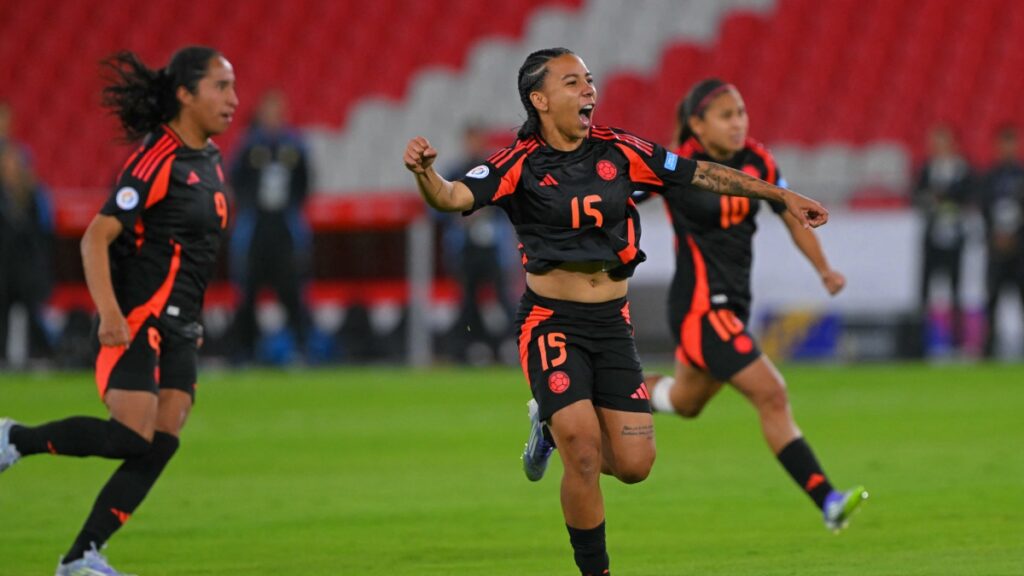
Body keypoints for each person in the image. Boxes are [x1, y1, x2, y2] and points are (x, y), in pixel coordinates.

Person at [403, 48, 828, 576]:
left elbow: (700, 174)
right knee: (583, 450)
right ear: (539, 99)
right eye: (572, 82)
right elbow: (451, 196)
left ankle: (549, 429)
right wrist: (426, 174)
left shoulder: (621, 149)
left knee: (634, 465)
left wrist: (781, 195)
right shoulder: (516, 163)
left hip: (611, 324)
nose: (588, 91)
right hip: (551, 320)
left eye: (589, 80)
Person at [0, 46, 237, 575]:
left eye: (233, 87)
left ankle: (80, 558)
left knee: (164, 438)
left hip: (180, 326)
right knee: (132, 434)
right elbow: (95, 238)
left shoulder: (210, 160)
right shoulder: (158, 159)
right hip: (139, 320)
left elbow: (189, 253)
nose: (233, 100)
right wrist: (110, 313)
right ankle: (14, 438)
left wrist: (191, 321)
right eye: (221, 87)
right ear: (185, 93)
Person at [636, 79, 867, 533]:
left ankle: (585, 392)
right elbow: (619, 196)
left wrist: (824, 268)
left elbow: (791, 215)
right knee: (772, 393)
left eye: (741, 112)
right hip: (701, 308)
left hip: (733, 305)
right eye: (726, 115)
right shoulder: (675, 165)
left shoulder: (758, 160)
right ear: (697, 124)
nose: (738, 122)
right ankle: (828, 500)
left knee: (684, 402)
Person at [227, 90, 312, 364]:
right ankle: (245, 351)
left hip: (284, 226)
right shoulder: (248, 146)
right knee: (248, 290)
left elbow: (305, 182)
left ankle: (300, 348)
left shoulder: (295, 146)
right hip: (256, 226)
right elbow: (234, 180)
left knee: (291, 289)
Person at [438, 122, 517, 364]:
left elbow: (508, 201)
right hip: (466, 247)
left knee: (503, 298)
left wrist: (483, 209)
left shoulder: (493, 169)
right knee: (468, 299)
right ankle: (470, 346)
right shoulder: (455, 171)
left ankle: (513, 343)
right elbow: (440, 203)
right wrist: (460, 214)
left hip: (492, 246)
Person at [913, 124, 973, 353]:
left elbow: (969, 196)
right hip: (932, 237)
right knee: (925, 290)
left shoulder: (962, 169)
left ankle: (957, 342)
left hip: (954, 236)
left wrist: (948, 201)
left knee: (955, 289)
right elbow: (917, 196)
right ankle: (921, 343)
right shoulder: (927, 169)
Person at [0, 143, 55, 364]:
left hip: (28, 268)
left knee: (33, 314)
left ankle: (39, 356)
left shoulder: (35, 195)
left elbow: (45, 232)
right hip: (3, 267)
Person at [979, 125, 1024, 358]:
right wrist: (994, 236)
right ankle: (989, 347)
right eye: (1002, 144)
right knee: (992, 299)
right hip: (995, 249)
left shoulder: (1021, 175)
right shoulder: (989, 178)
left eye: (1010, 144)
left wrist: (1015, 236)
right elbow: (983, 210)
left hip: (1020, 250)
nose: (1007, 149)